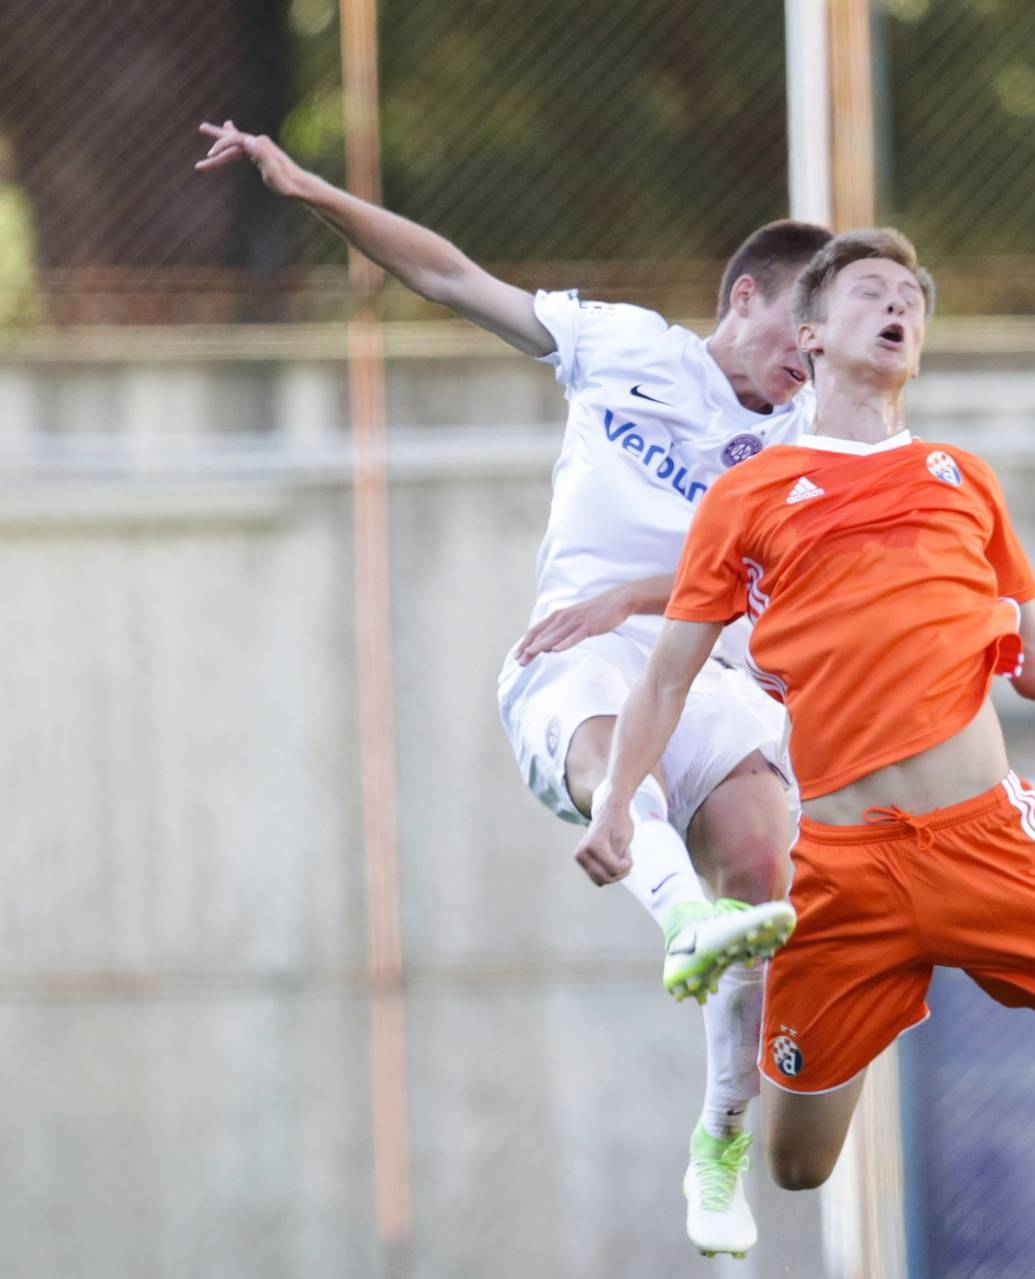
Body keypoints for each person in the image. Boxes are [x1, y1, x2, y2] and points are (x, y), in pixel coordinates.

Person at [195, 120, 833, 1259]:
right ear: (746, 298)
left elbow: (757, 591)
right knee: (604, 744)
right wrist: (306, 188)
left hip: (697, 664)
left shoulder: (812, 449)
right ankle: (677, 912)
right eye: (804, 325)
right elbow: (447, 276)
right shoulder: (628, 347)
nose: (813, 355)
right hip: (568, 656)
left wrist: (636, 599)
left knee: (763, 850)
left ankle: (722, 1133)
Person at [574, 228, 1035, 1191]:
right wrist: (620, 803)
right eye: (871, 291)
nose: (897, 306)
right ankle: (742, 1124)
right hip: (841, 866)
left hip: (988, 841)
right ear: (812, 332)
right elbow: (666, 677)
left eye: (910, 297)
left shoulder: (963, 480)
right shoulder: (748, 498)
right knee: (797, 1166)